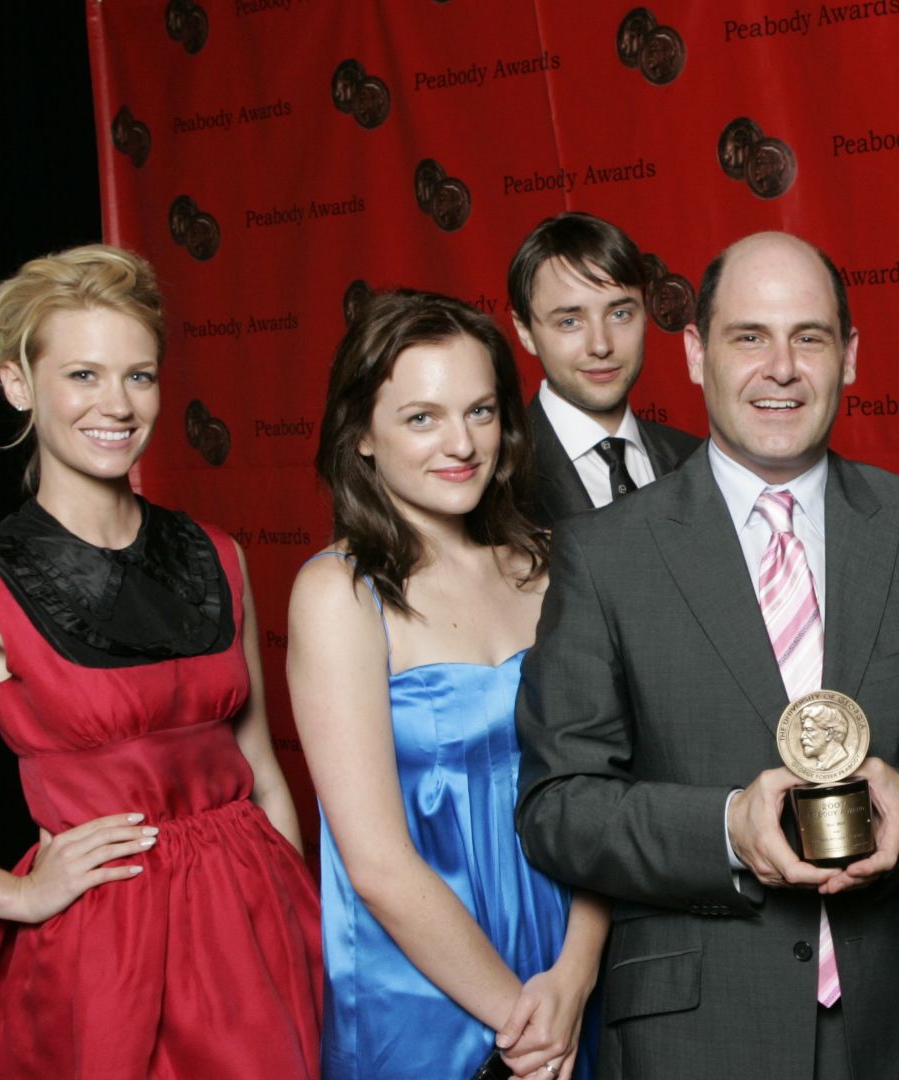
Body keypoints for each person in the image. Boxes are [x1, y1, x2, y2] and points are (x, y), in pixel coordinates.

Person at [514, 231, 899, 1080]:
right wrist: (726, 828)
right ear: (694, 354)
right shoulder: (607, 555)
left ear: (851, 357)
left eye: (810, 337)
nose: (782, 368)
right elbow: (559, 805)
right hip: (700, 1034)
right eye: (748, 337)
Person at [0, 244, 323, 1077]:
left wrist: (302, 922)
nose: (116, 404)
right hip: (109, 940)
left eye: (139, 376)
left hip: (258, 918)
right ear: (17, 384)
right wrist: (15, 894)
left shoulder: (218, 554)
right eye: (83, 375)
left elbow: (258, 767)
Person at [286, 290, 604, 1079]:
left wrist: (574, 977)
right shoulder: (340, 593)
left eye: (482, 411)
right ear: (362, 434)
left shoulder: (552, 566)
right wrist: (523, 1025)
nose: (461, 443)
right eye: (422, 418)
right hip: (429, 987)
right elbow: (378, 863)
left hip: (572, 959)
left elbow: (610, 793)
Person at [508, 212, 702, 526]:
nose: (600, 345)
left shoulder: (698, 461)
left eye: (620, 314)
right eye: (570, 321)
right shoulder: (498, 476)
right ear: (525, 331)